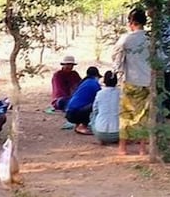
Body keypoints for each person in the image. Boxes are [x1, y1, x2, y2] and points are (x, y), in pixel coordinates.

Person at [112, 8, 151, 156]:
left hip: (130, 81)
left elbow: (115, 55)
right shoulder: (150, 39)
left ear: (132, 22)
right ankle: (142, 148)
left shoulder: (126, 39)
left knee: (127, 114)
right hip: (147, 81)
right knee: (144, 115)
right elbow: (160, 58)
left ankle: (123, 148)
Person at [65, 66, 103, 135]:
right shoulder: (94, 84)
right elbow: (101, 98)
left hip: (69, 112)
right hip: (75, 114)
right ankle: (82, 126)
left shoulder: (83, 83)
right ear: (96, 76)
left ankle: (78, 125)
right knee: (95, 105)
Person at [91, 71, 121, 144]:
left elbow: (94, 109)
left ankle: (102, 139)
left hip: (100, 132)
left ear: (105, 81)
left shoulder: (100, 93)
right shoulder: (120, 93)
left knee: (93, 115)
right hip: (117, 133)